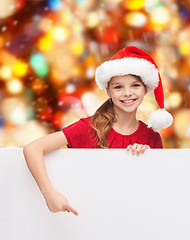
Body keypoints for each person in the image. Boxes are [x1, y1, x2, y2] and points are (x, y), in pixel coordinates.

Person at [23, 46, 173, 216]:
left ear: (145, 89)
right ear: (108, 91)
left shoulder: (151, 137)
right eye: (118, 87)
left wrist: (145, 159)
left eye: (135, 85)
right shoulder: (88, 128)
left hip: (132, 221)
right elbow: (32, 149)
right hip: (89, 220)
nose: (127, 93)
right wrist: (49, 194)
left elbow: (155, 189)